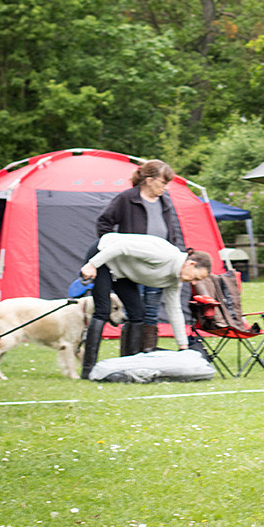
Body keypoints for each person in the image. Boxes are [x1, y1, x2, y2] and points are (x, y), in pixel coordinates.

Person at [79, 233, 212, 380]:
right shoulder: (164, 254)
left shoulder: (175, 281)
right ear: (191, 264)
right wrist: (92, 265)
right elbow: (121, 247)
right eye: (196, 277)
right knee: (103, 311)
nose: (194, 283)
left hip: (122, 271)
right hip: (103, 254)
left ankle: (126, 365)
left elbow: (174, 311)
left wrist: (183, 347)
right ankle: (88, 370)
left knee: (138, 313)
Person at [96, 159, 185, 355]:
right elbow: (104, 224)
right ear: (149, 179)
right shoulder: (127, 198)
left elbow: (172, 235)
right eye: (163, 182)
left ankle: (146, 352)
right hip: (131, 267)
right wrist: (115, 250)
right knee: (133, 310)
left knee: (152, 311)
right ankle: (128, 355)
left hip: (158, 266)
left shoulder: (165, 202)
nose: (165, 187)